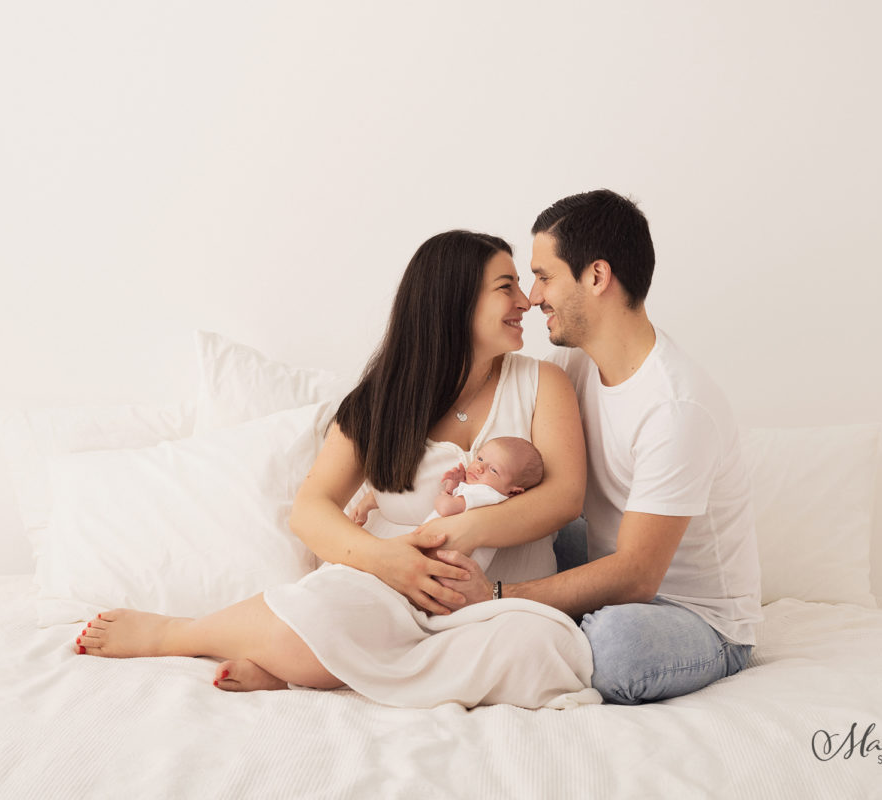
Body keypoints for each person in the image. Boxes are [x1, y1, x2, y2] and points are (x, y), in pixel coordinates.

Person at [74, 230, 597, 709]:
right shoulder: (381, 401)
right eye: (506, 287)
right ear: (454, 301)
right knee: (313, 620)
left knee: (541, 653)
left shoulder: (542, 385)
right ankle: (176, 634)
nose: (526, 300)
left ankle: (319, 672)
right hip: (388, 593)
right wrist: (390, 562)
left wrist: (465, 527)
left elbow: (565, 497)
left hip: (495, 608)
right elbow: (311, 509)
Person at [433, 190, 762, 705]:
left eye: (544, 276)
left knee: (615, 647)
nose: (533, 296)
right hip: (597, 559)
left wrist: (499, 595)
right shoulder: (573, 370)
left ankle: (508, 630)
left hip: (694, 616)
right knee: (515, 530)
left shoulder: (676, 406)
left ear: (597, 276)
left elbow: (636, 575)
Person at [348, 436, 545, 571]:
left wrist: (446, 491)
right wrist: (456, 485)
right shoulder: (486, 493)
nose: (479, 467)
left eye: (493, 470)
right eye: (480, 458)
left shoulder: (488, 495)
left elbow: (445, 508)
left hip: (444, 561)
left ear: (514, 491)